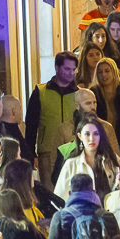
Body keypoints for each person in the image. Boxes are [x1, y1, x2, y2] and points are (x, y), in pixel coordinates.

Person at [26, 52, 80, 191]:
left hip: (74, 151)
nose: (71, 73)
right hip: (47, 151)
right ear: (57, 68)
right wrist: (31, 154)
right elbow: (31, 125)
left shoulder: (79, 94)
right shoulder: (41, 91)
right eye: (67, 69)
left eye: (74, 69)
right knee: (50, 192)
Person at [53, 115, 120, 202]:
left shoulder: (113, 159)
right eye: (87, 134)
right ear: (80, 136)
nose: (91, 138)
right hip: (80, 214)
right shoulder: (71, 164)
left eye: (96, 133)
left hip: (109, 213)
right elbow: (58, 199)